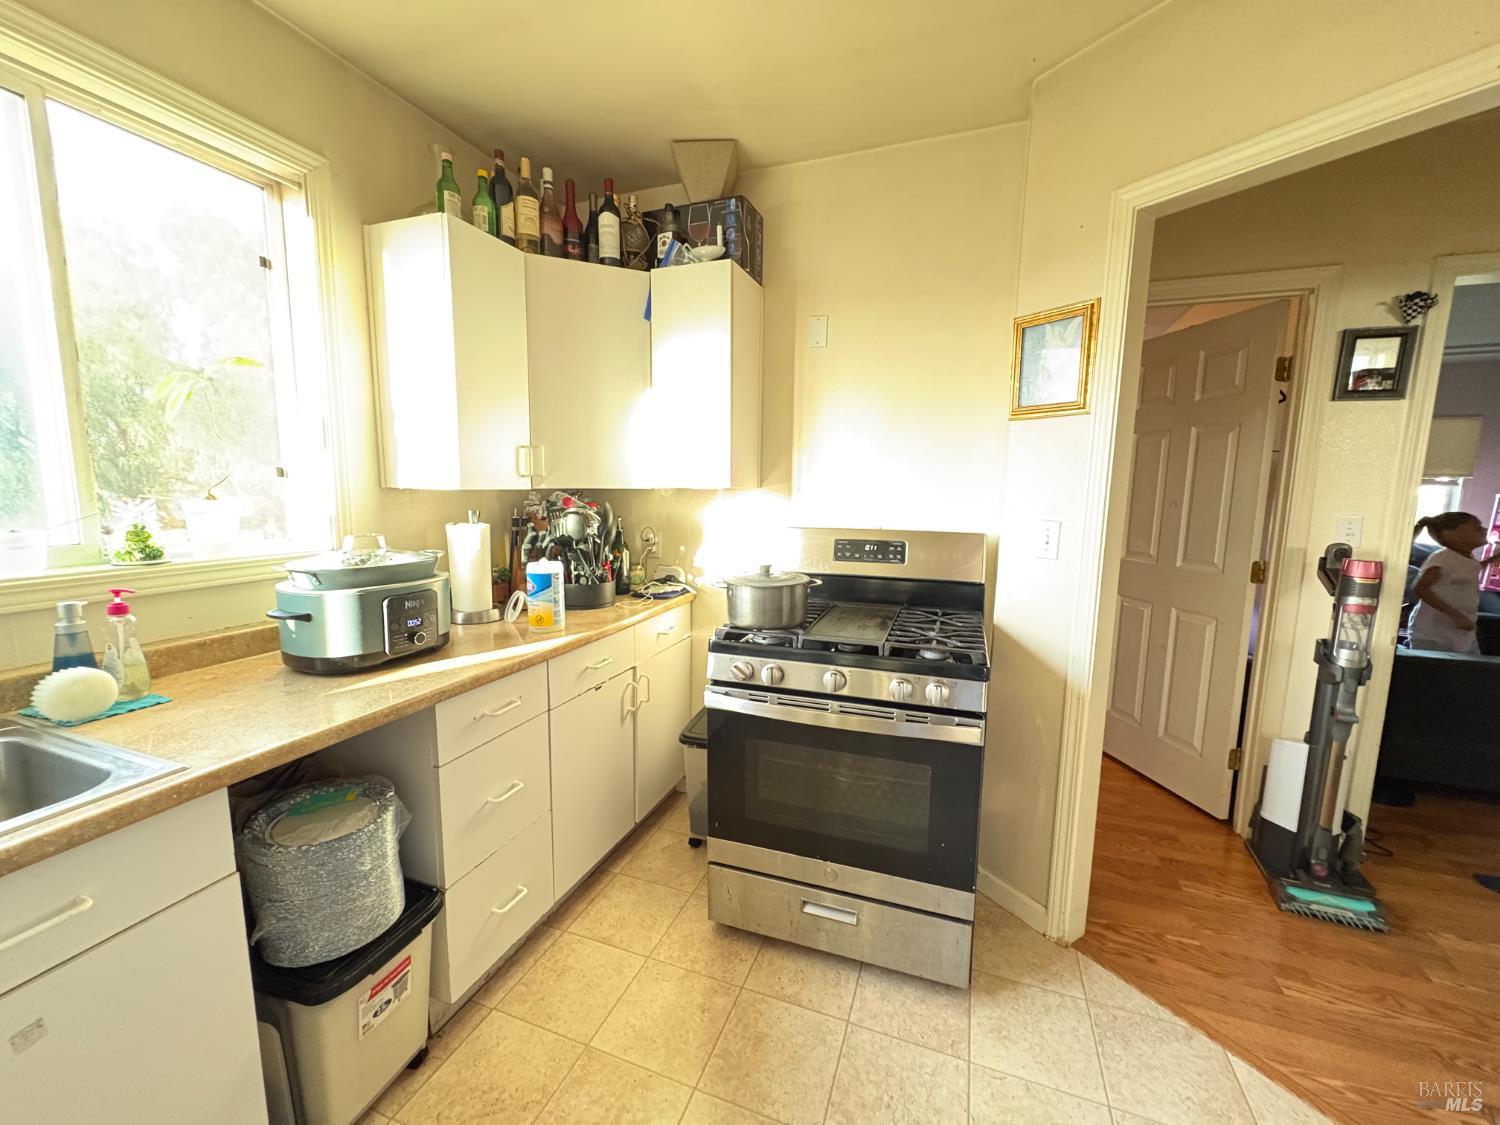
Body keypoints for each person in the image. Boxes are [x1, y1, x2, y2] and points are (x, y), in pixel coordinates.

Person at [1408, 511, 1489, 653]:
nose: (1485, 529)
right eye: (1477, 527)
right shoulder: (1442, 558)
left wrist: (1493, 559)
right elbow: (1420, 588)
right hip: (1432, 634)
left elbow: (1470, 569)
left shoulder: (1468, 558)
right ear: (1457, 533)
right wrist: (1455, 615)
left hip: (1461, 631)